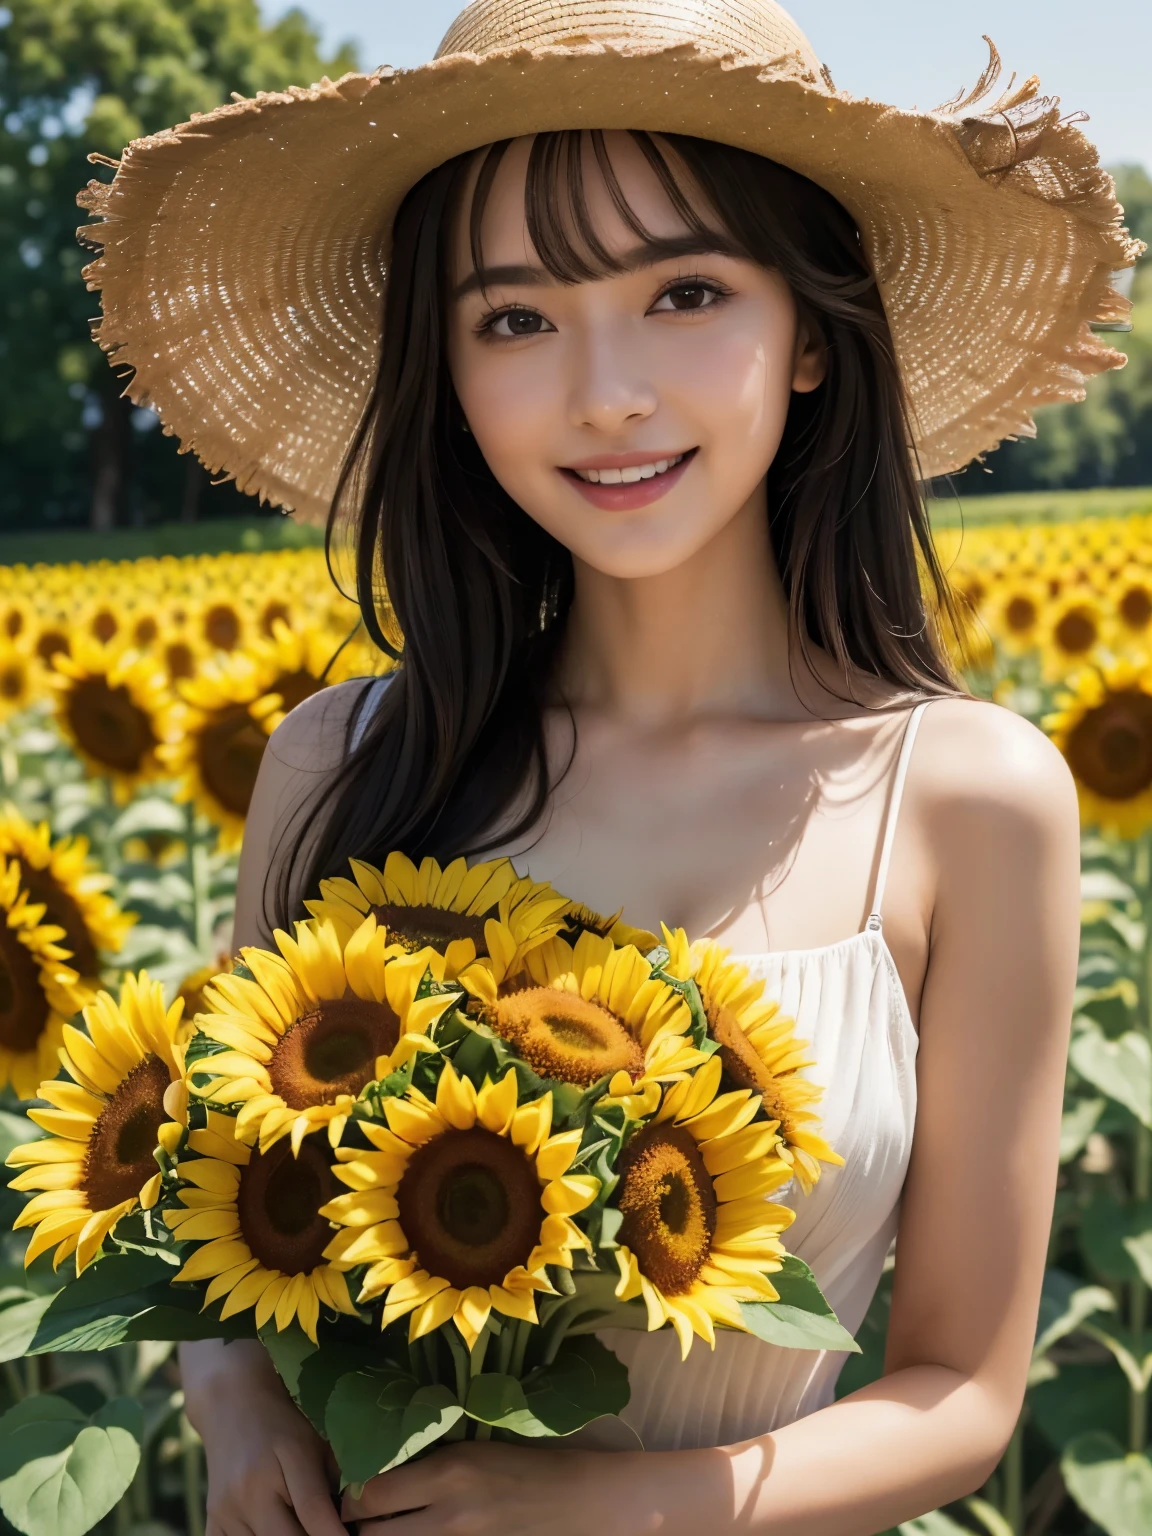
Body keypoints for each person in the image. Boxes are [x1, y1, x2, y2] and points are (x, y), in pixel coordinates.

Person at [77, 2, 1139, 1532]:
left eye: (685, 291)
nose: (606, 393)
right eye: (513, 318)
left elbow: (963, 1397)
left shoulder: (970, 800)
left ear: (816, 337)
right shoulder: (339, 764)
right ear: (443, 368)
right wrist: (239, 1410)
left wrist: (595, 1507)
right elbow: (227, 1217)